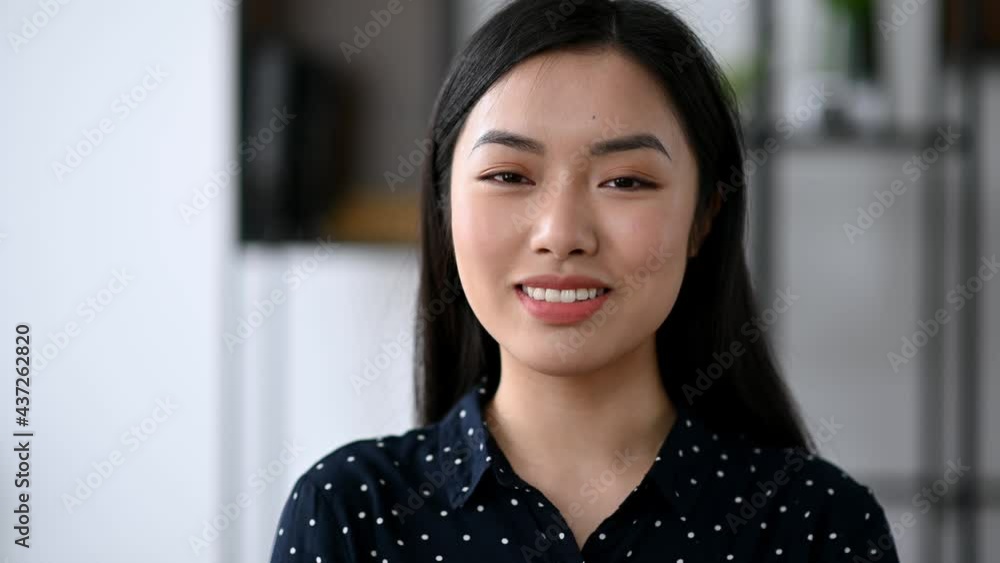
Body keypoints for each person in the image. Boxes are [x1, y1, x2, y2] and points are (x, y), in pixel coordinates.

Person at [269, 0, 901, 561]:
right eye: (510, 176)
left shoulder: (818, 525)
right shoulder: (350, 512)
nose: (561, 231)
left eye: (626, 181)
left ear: (704, 217)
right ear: (444, 204)